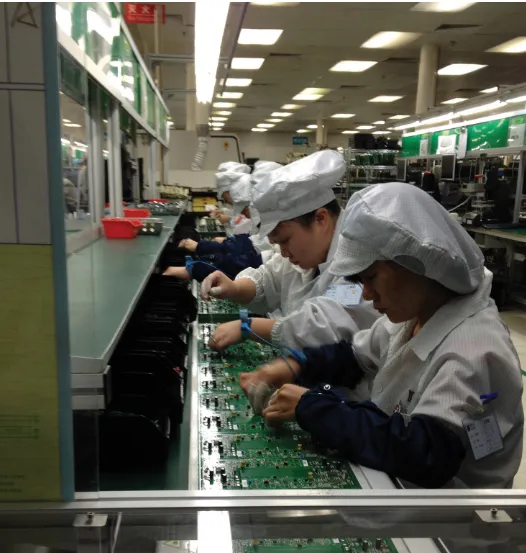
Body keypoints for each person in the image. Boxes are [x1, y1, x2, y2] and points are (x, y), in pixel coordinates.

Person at [240, 182, 523, 489]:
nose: (365, 292)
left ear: (417, 263)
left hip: (454, 521)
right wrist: (292, 365)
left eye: (371, 277)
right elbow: (356, 354)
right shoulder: (415, 315)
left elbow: (426, 453)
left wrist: (314, 407)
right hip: (398, 483)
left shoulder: (472, 349)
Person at [201, 150, 379, 351]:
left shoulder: (358, 266)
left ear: (321, 219)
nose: (282, 252)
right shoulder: (308, 253)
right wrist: (235, 288)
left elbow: (324, 323)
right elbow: (270, 277)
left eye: (285, 240)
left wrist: (249, 327)